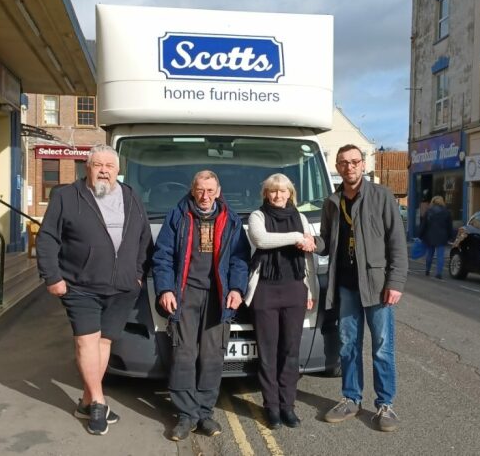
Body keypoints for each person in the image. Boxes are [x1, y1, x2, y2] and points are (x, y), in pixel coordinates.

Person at [37, 144, 152, 436]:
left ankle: (87, 400)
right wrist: (52, 276)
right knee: (86, 342)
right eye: (97, 165)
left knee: (104, 344)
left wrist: (138, 274)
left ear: (117, 171)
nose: (103, 171)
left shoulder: (130, 196)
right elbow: (48, 238)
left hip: (122, 288)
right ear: (86, 168)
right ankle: (99, 402)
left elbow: (143, 239)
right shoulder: (66, 196)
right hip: (79, 285)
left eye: (109, 166)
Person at [314, 144, 408, 432]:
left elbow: (397, 243)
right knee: (348, 345)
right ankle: (351, 399)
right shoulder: (332, 202)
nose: (349, 167)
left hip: (378, 287)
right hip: (345, 286)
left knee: (382, 347)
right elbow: (326, 243)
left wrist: (395, 282)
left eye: (354, 161)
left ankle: (385, 405)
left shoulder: (382, 196)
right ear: (339, 167)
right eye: (343, 163)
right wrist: (306, 241)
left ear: (363, 164)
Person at [152, 170, 250, 441]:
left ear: (218, 191)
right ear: (192, 190)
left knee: (211, 356)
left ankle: (204, 413)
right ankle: (186, 416)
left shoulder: (230, 219)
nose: (205, 196)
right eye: (200, 190)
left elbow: (240, 259)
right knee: (183, 354)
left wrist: (237, 289)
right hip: (186, 294)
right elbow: (162, 256)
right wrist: (165, 289)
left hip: (218, 296)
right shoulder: (177, 215)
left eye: (210, 190)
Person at [245, 173, 317, 430]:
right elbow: (262, 240)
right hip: (265, 290)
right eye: (273, 191)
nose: (278, 195)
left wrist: (308, 292)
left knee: (290, 351)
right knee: (268, 353)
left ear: (290, 194)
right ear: (266, 194)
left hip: (295, 289)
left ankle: (288, 407)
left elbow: (308, 257)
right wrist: (297, 237)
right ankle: (271, 408)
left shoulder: (302, 217)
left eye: (283, 191)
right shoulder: (257, 216)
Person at [418, 195, 453, 279]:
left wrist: (420, 235)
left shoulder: (429, 212)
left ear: (433, 202)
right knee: (440, 255)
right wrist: (450, 236)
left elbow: (424, 225)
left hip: (429, 236)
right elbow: (449, 226)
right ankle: (439, 273)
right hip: (442, 236)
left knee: (430, 254)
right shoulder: (446, 212)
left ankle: (427, 270)